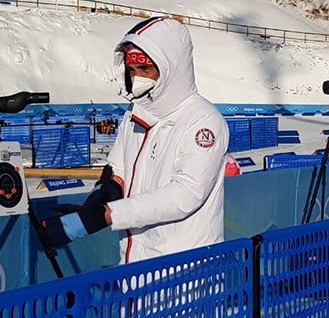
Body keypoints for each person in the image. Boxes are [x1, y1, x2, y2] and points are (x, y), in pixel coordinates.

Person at [42, 17, 229, 264]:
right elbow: (117, 169)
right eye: (132, 71)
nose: (138, 78)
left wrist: (110, 214)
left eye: (146, 70)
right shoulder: (136, 114)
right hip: (136, 260)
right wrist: (96, 205)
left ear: (172, 70)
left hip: (186, 269)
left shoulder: (203, 121)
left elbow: (186, 194)